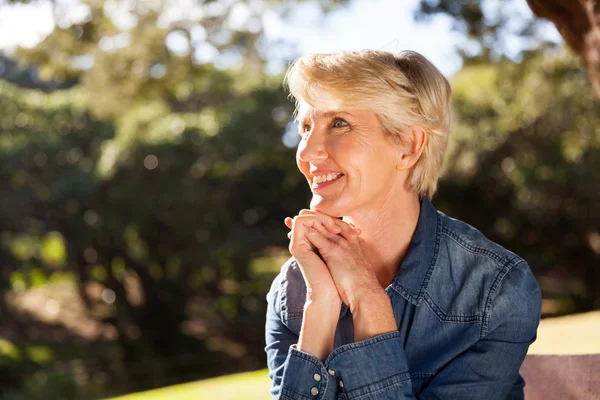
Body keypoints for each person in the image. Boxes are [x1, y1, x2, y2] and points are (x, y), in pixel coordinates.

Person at [265, 50, 542, 400]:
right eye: (306, 126)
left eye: (338, 123)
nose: (305, 152)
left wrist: (369, 300)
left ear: (408, 147)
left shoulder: (494, 289)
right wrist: (320, 304)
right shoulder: (292, 289)